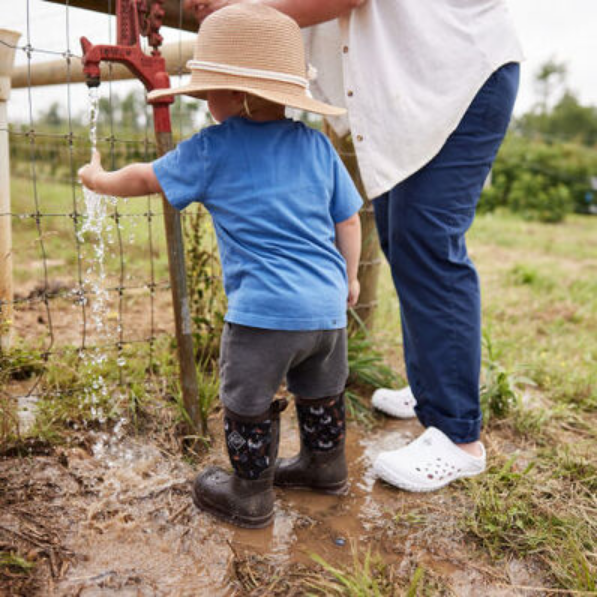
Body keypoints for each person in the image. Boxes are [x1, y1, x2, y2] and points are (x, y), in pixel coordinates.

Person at [185, 0, 523, 492]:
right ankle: (433, 388)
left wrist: (240, 10)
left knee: (428, 238)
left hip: (457, 72)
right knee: (403, 237)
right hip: (418, 80)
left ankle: (457, 434)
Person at [78, 4, 363, 528]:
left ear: (237, 94)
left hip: (264, 314)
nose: (205, 98)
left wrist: (98, 179)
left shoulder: (213, 148)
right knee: (322, 392)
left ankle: (249, 493)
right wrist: (350, 277)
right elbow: (348, 221)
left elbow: (145, 178)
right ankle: (326, 468)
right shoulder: (316, 145)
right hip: (327, 312)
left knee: (247, 401)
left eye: (210, 89)